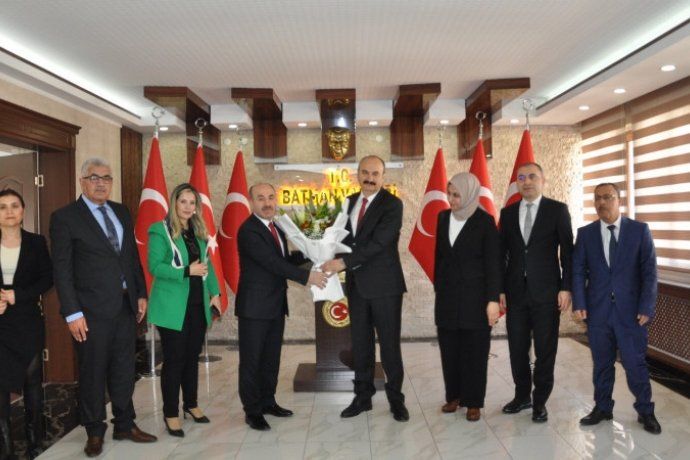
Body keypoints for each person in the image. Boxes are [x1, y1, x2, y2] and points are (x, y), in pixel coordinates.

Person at [50, 158, 157, 457]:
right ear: (82, 181)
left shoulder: (121, 211)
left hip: (124, 306)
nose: (101, 183)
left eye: (106, 178)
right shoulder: (65, 217)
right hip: (89, 311)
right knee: (93, 372)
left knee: (124, 369)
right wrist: (72, 312)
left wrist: (140, 293)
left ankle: (124, 424)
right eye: (94, 177)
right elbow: (62, 270)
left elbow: (131, 257)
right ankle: (94, 431)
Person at [321, 155, 409, 422]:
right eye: (365, 173)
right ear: (357, 174)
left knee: (390, 347)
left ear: (383, 176)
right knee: (361, 345)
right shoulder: (348, 202)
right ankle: (363, 397)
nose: (370, 178)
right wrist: (320, 250)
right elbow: (340, 238)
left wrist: (343, 263)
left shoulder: (392, 204)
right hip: (357, 286)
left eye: (375, 173)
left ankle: (396, 400)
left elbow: (380, 243)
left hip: (385, 287)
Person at [236, 183, 328, 431]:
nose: (267, 203)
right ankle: (252, 411)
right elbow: (272, 263)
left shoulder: (275, 227)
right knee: (252, 361)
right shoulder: (248, 231)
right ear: (251, 202)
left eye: (270, 197)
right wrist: (308, 277)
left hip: (275, 305)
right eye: (260, 198)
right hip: (254, 308)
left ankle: (268, 402)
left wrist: (314, 253)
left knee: (271, 359)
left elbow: (285, 259)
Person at [573, 183, 661, 434]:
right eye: (597, 198)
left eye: (608, 197)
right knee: (601, 363)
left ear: (619, 200)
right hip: (598, 312)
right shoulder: (586, 234)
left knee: (635, 363)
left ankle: (645, 410)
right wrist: (580, 302)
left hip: (631, 313)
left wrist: (646, 306)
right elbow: (578, 271)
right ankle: (603, 408)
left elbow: (649, 272)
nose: (602, 202)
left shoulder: (639, 231)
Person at [499, 162, 573, 423]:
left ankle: (540, 401)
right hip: (515, 293)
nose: (527, 181)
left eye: (532, 176)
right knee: (517, 348)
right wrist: (500, 289)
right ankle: (522, 396)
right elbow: (501, 255)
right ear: (517, 183)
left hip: (547, 293)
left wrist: (566, 287)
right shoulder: (507, 213)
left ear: (543, 180)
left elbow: (568, 252)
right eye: (521, 178)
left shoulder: (557, 210)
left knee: (545, 350)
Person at [147, 183, 222, 437]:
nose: (188, 207)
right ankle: (170, 413)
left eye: (192, 203)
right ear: (174, 203)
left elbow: (207, 267)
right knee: (175, 360)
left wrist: (215, 294)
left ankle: (190, 404)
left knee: (192, 357)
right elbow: (155, 267)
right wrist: (186, 271)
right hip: (171, 307)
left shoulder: (198, 231)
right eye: (183, 202)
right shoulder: (160, 230)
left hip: (197, 304)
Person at [433, 173, 501, 422]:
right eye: (449, 194)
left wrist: (492, 300)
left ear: (470, 194)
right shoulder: (442, 217)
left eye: (457, 195)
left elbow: (493, 264)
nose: (451, 199)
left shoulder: (484, 221)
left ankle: (473, 401)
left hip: (476, 299)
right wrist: (439, 287)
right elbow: (439, 257)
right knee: (449, 350)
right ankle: (454, 396)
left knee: (475, 351)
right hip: (447, 298)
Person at [0, 189, 53, 459]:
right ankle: (5, 444)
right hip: (0, 323)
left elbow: (47, 279)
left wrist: (17, 295)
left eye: (14, 206)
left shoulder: (36, 242)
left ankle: (34, 440)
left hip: (28, 320)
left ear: (23, 211)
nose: (9, 211)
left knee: (32, 381)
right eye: (2, 207)